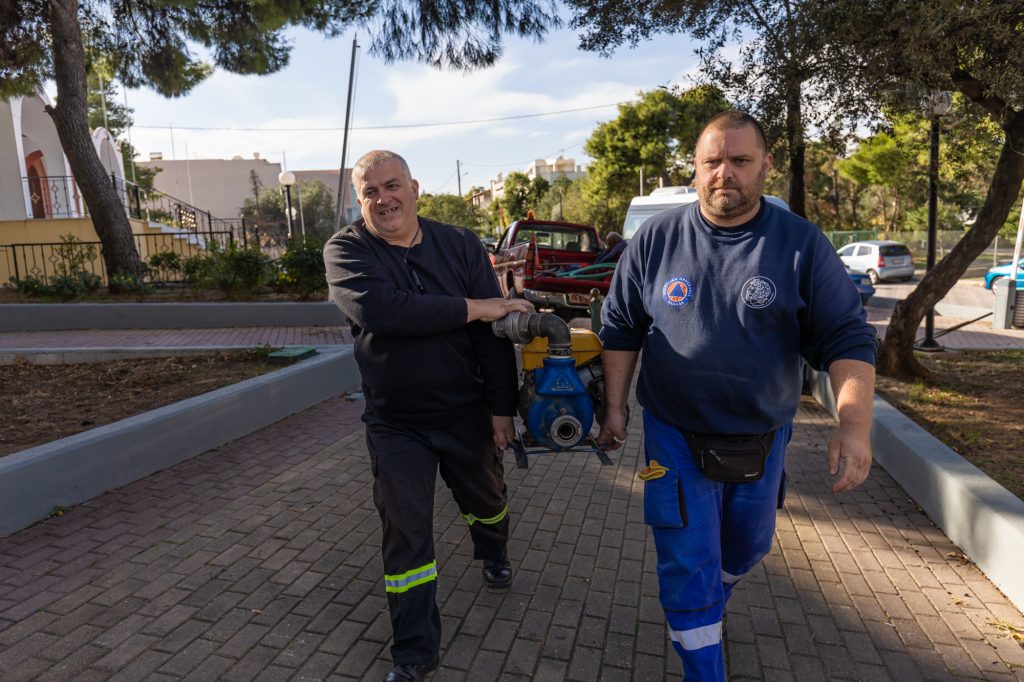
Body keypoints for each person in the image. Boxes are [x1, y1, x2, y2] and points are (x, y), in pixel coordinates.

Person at [596, 111, 877, 681]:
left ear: (765, 166)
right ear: (696, 169)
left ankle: (707, 604)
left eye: (741, 161)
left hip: (764, 433)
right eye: (713, 162)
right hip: (671, 435)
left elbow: (847, 336)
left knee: (746, 548)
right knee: (687, 560)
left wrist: (854, 426)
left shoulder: (799, 244)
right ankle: (703, 656)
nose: (725, 173)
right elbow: (621, 326)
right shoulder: (656, 239)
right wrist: (616, 406)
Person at [323, 150, 533, 682]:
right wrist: (477, 306)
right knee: (405, 532)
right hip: (396, 423)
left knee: (486, 503)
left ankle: (494, 550)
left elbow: (492, 336)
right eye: (370, 192)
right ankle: (415, 653)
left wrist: (502, 408)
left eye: (392, 186)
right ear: (359, 199)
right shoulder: (346, 250)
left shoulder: (459, 243)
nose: (383, 199)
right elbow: (383, 312)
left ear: (414, 188)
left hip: (466, 412)